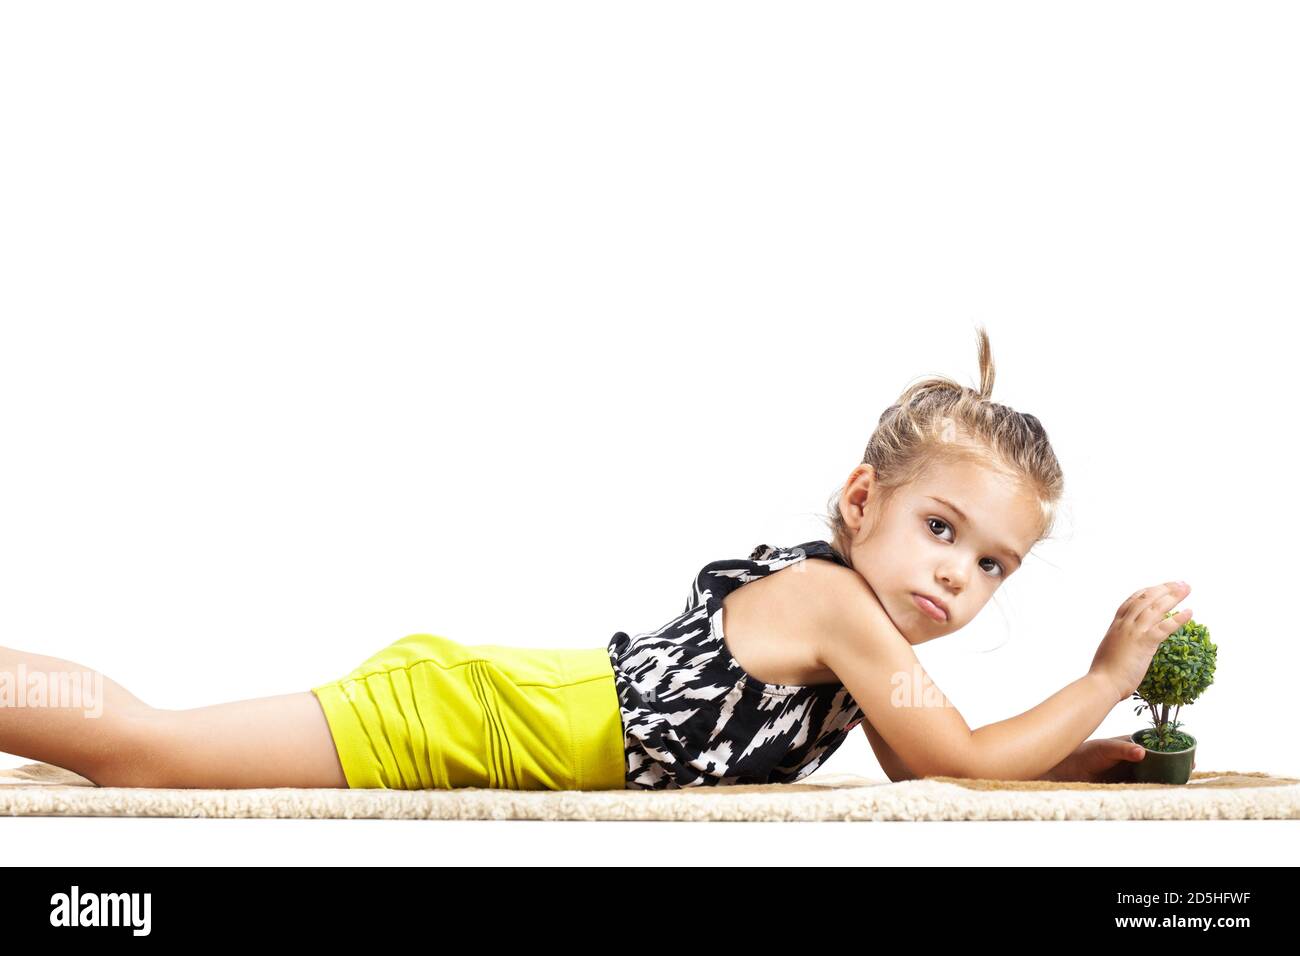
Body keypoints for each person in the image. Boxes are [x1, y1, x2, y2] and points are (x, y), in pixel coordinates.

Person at [0, 326, 1192, 790]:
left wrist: (1074, 762)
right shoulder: (835, 603)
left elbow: (931, 774)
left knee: (145, 751)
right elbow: (963, 760)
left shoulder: (857, 642)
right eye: (942, 529)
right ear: (861, 498)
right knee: (141, 751)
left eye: (992, 566)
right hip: (478, 714)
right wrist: (1102, 675)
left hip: (505, 707)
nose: (957, 577)